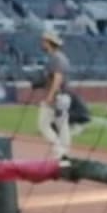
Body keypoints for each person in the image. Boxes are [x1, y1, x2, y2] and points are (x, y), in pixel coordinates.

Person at [38, 30, 73, 159]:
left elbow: (58, 78)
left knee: (43, 125)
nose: (42, 43)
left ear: (49, 43)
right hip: (64, 96)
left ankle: (60, 152)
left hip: (57, 96)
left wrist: (50, 97)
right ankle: (66, 154)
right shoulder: (62, 57)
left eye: (44, 41)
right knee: (63, 126)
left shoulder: (55, 58)